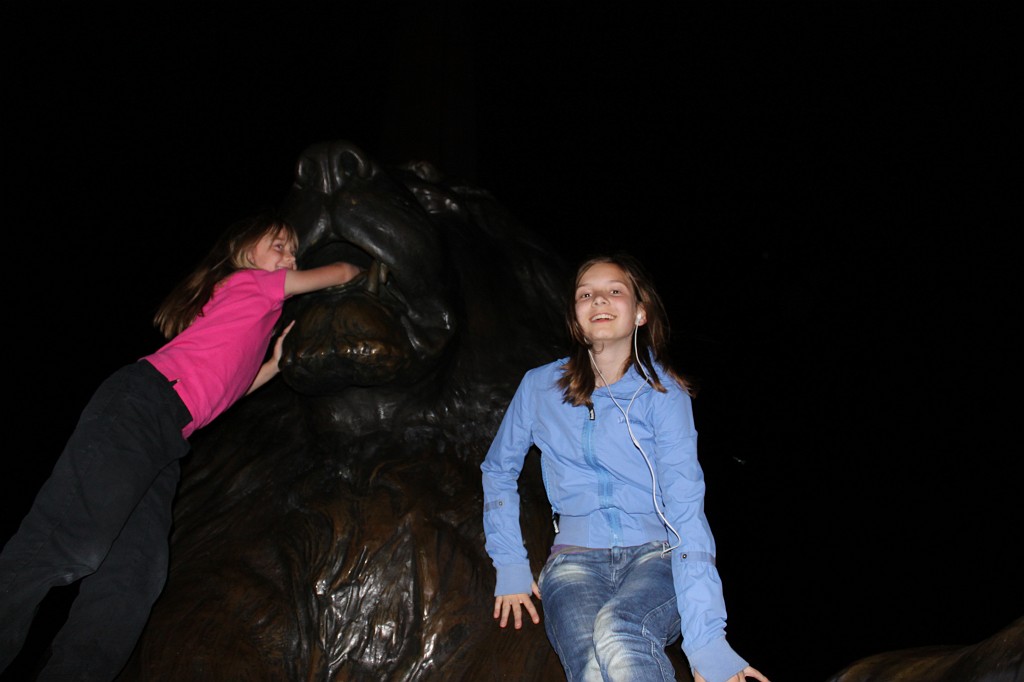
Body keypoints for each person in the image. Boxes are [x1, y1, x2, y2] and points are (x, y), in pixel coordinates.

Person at [0, 213, 362, 680]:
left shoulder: (256, 313)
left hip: (169, 438)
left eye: (293, 251)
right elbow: (336, 274)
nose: (289, 257)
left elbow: (229, 388)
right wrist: (362, 269)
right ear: (246, 250)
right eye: (279, 245)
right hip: (141, 406)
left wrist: (273, 363)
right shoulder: (252, 284)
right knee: (70, 542)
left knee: (133, 580)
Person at [481, 253, 769, 682]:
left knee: (620, 630)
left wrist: (707, 640)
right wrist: (510, 564)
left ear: (639, 312)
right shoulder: (539, 386)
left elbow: (686, 509)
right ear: (576, 319)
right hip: (574, 562)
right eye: (586, 294)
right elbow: (498, 468)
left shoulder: (663, 393)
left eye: (614, 290)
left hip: (657, 557)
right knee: (592, 671)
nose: (599, 298)